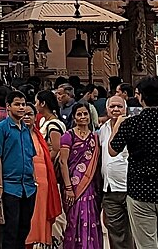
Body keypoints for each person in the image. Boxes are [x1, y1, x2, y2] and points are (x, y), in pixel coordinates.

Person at [107, 77, 158, 249]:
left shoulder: (131, 124)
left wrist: (118, 124)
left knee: (146, 244)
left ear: (140, 96)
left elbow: (112, 150)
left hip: (140, 191)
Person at [0, 91, 37, 249]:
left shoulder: (26, 129)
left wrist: (35, 181)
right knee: (10, 230)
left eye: (23, 104)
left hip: (28, 187)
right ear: (8, 107)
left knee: (24, 229)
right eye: (17, 104)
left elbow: (31, 156)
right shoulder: (1, 129)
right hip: (10, 187)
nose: (21, 107)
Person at [60, 103, 102, 249]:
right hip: (73, 186)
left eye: (85, 114)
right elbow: (63, 162)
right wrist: (68, 187)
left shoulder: (95, 138)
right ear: (74, 117)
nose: (83, 117)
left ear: (90, 116)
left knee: (90, 218)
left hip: (91, 186)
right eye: (79, 114)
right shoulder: (68, 136)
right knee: (75, 219)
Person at [27, 96, 65, 249]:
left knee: (41, 217)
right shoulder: (39, 125)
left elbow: (56, 149)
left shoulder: (51, 125)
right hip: (25, 182)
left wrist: (44, 162)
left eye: (30, 113)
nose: (27, 117)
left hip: (44, 179)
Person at [96, 95, 133, 249]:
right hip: (109, 189)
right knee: (115, 232)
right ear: (107, 109)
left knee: (135, 231)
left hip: (131, 188)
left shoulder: (133, 126)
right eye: (112, 107)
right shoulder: (102, 130)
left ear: (125, 109)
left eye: (119, 106)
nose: (116, 109)